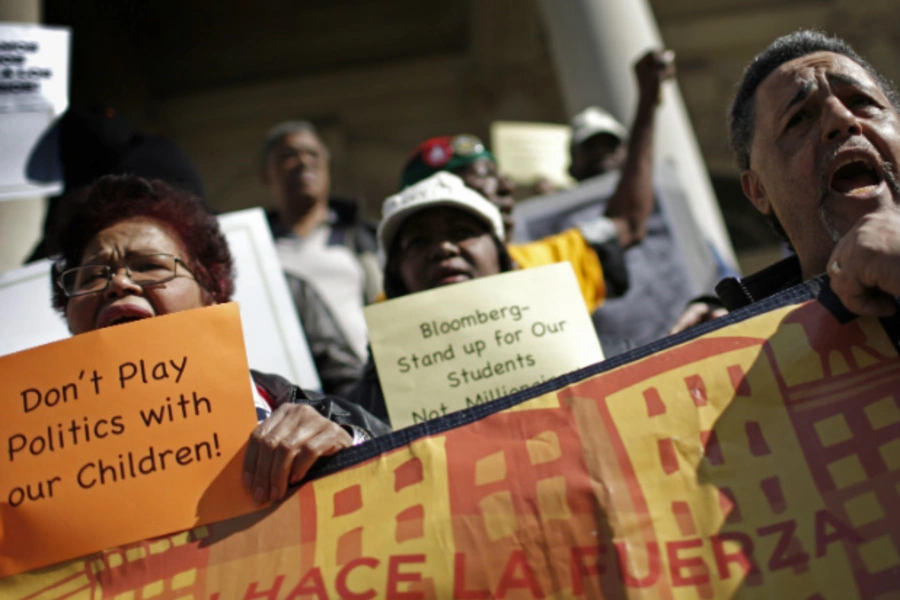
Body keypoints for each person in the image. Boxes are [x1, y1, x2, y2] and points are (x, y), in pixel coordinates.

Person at [50, 175, 390, 505]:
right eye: (94, 275)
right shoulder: (33, 462)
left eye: (149, 265)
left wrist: (352, 452)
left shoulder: (315, 415)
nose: (119, 283)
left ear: (211, 296)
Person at [709, 30, 900, 317]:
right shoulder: (747, 356)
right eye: (799, 118)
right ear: (758, 191)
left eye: (861, 102)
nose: (842, 119)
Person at [398, 135, 629, 316]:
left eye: (463, 233)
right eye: (419, 241)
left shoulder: (550, 269)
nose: (506, 187)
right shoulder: (389, 322)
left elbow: (628, 223)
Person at [347, 172, 513, 423]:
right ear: (396, 275)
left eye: (461, 232)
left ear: (500, 256)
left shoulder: (562, 334)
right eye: (419, 241)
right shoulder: (364, 410)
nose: (443, 248)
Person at [260, 121, 381, 361]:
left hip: (361, 382)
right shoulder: (256, 249)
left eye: (313, 154)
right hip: (292, 389)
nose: (304, 161)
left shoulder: (363, 238)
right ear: (267, 174)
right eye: (289, 155)